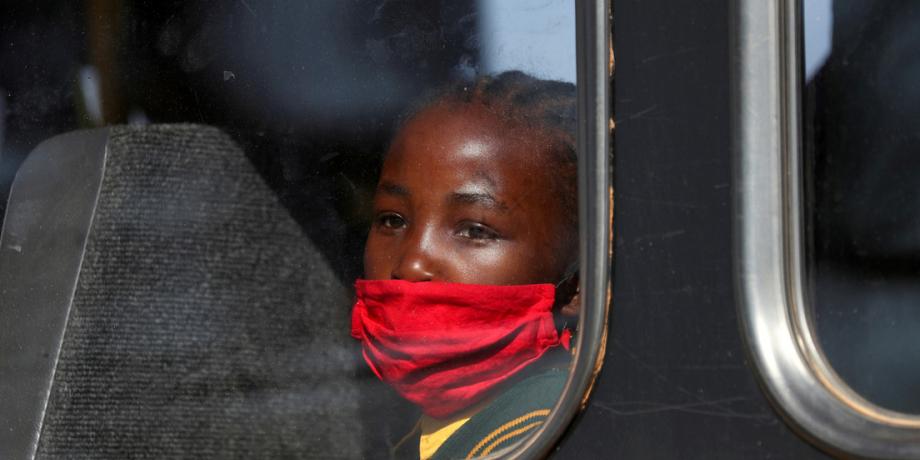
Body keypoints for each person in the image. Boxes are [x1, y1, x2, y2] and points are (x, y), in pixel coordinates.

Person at [350, 71, 579, 460]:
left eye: (474, 230)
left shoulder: (556, 428)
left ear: (577, 284)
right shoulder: (418, 439)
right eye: (392, 220)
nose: (412, 262)